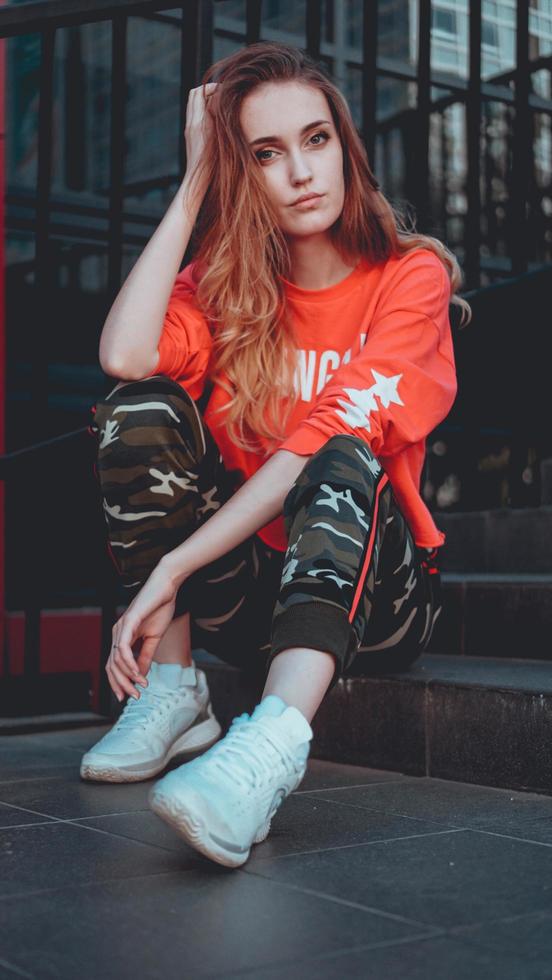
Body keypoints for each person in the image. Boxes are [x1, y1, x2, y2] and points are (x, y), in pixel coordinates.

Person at [80, 41, 469, 868]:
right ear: (240, 172)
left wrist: (170, 570)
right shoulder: (226, 294)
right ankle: (176, 690)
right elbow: (122, 355)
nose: (300, 171)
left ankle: (270, 748)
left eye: (316, 139)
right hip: (253, 589)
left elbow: (324, 441)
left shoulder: (410, 276)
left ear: (344, 147)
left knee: (340, 450)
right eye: (265, 153)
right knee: (137, 407)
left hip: (376, 593)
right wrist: (193, 188)